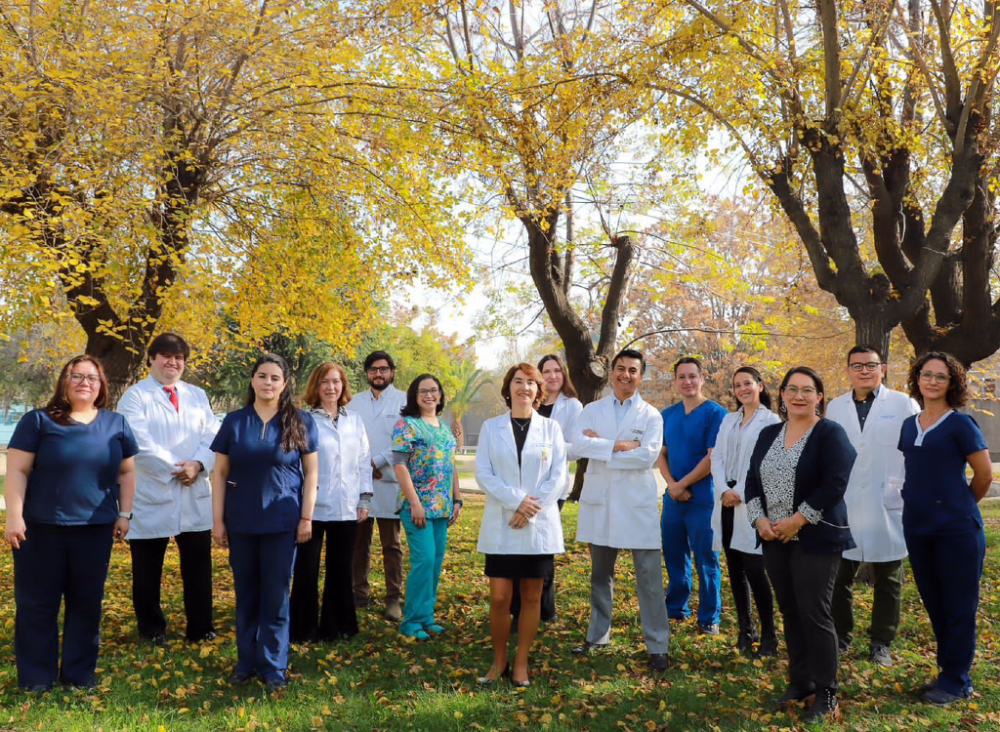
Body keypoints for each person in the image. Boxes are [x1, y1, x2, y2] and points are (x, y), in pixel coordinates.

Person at [3, 355, 137, 692]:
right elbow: (17, 470)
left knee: (86, 604)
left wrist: (125, 513)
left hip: (95, 529)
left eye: (92, 377)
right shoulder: (37, 421)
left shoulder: (117, 424)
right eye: (76, 376)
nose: (84, 382)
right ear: (64, 381)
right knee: (37, 606)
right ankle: (36, 679)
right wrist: (14, 516)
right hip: (40, 529)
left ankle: (79, 676)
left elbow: (126, 472)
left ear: (101, 386)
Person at [745, 366, 856, 724]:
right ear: (782, 395)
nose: (799, 396)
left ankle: (826, 692)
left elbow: (835, 483)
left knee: (815, 613)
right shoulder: (768, 434)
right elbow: (751, 480)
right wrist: (759, 520)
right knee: (791, 611)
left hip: (816, 535)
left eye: (807, 390)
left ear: (819, 397)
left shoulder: (830, 433)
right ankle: (801, 681)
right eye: (792, 389)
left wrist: (799, 519)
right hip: (775, 538)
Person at [210, 353, 319, 689]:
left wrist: (306, 517)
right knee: (246, 595)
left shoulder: (300, 421)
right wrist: (217, 520)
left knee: (275, 596)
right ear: (253, 380)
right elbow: (219, 472)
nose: (268, 383)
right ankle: (246, 662)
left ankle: (273, 666)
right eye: (262, 376)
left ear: (284, 384)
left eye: (274, 378)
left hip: (282, 522)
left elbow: (312, 474)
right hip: (241, 521)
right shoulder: (234, 421)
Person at [898, 352, 992, 706]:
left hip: (957, 531)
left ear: (952, 383)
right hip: (917, 527)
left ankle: (956, 681)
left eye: (941, 376)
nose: (933, 381)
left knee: (958, 606)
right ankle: (947, 672)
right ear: (917, 378)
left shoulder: (961, 425)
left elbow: (984, 475)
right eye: (927, 374)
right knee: (935, 604)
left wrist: (960, 506)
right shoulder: (909, 425)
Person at [117, 333, 221, 647]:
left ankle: (201, 628)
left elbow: (213, 435)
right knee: (147, 569)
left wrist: (199, 464)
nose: (172, 362)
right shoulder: (135, 397)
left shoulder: (197, 395)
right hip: (153, 492)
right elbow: (139, 443)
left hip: (194, 491)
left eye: (178, 358)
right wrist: (180, 468)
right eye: (165, 356)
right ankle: (152, 630)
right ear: (151, 358)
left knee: (198, 566)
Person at [571, 349, 670, 672]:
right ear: (611, 372)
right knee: (600, 575)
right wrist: (619, 445)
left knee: (649, 579)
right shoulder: (591, 410)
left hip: (636, 505)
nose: (625, 375)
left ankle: (658, 645)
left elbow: (647, 456)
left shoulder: (651, 415)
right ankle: (598, 636)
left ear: (641, 377)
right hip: (600, 502)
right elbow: (577, 446)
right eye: (620, 368)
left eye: (633, 370)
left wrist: (601, 447)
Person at [826, 345, 919, 667]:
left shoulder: (904, 404)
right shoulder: (835, 407)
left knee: (889, 579)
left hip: (888, 500)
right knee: (838, 577)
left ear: (883, 369)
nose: (864, 371)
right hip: (846, 501)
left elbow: (915, 451)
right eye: (857, 366)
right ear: (848, 371)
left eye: (871, 365)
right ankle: (841, 636)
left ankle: (881, 642)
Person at [475, 363, 567, 688]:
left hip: (536, 526)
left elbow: (558, 476)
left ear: (538, 391)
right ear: (508, 388)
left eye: (531, 382)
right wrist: (517, 501)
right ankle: (499, 660)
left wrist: (529, 510)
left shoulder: (551, 429)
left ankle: (521, 664)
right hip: (502, 522)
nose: (524, 387)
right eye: (518, 381)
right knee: (500, 598)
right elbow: (484, 474)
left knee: (531, 597)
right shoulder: (491, 428)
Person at [290, 363, 373, 642]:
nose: (331, 387)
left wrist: (364, 498)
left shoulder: (354, 420)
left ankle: (337, 627)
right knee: (306, 568)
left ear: (343, 386)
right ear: (316, 386)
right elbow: (296, 464)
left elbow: (363, 459)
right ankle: (303, 629)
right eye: (325, 382)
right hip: (312, 507)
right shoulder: (303, 419)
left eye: (336, 382)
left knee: (340, 569)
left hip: (346, 506)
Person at [708, 366, 779, 655]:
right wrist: (723, 489)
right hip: (725, 503)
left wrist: (739, 491)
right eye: (737, 385)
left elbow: (766, 462)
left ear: (760, 385)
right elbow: (717, 457)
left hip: (752, 503)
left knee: (756, 572)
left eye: (747, 383)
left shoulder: (771, 421)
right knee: (735, 570)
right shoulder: (729, 419)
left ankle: (769, 636)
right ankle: (745, 630)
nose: (742, 389)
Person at [657, 357, 727, 634]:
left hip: (703, 500)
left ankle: (709, 617)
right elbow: (661, 453)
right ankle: (676, 609)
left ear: (702, 379)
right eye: (682, 377)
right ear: (675, 381)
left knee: (706, 560)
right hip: (673, 500)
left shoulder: (715, 413)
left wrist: (683, 484)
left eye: (692, 376)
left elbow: (712, 458)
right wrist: (672, 485)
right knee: (674, 555)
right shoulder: (668, 415)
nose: (687, 381)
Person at [510, 353, 581, 623]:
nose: (552, 376)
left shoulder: (572, 406)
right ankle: (519, 607)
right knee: (519, 546)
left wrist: (550, 447)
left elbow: (576, 449)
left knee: (542, 545)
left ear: (564, 374)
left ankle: (545, 609)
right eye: (546, 371)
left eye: (557, 371)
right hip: (521, 487)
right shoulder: (529, 400)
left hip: (552, 488)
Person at [391, 374, 463, 640]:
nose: (429, 395)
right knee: (424, 561)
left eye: (433, 390)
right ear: (415, 395)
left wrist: (457, 499)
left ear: (440, 395)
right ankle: (410, 622)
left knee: (434, 562)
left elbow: (450, 464)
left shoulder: (444, 427)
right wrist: (415, 503)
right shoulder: (407, 425)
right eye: (423, 391)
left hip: (442, 507)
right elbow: (399, 465)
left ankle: (426, 617)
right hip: (416, 506)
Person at [351, 351, 407, 621]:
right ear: (367, 373)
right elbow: (349, 437)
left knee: (391, 544)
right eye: (373, 369)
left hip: (389, 479)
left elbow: (405, 440)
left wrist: (378, 461)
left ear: (392, 372)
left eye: (383, 369)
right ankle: (359, 593)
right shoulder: (354, 402)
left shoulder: (404, 401)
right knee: (358, 543)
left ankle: (393, 598)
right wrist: (364, 465)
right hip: (359, 479)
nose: (378, 374)